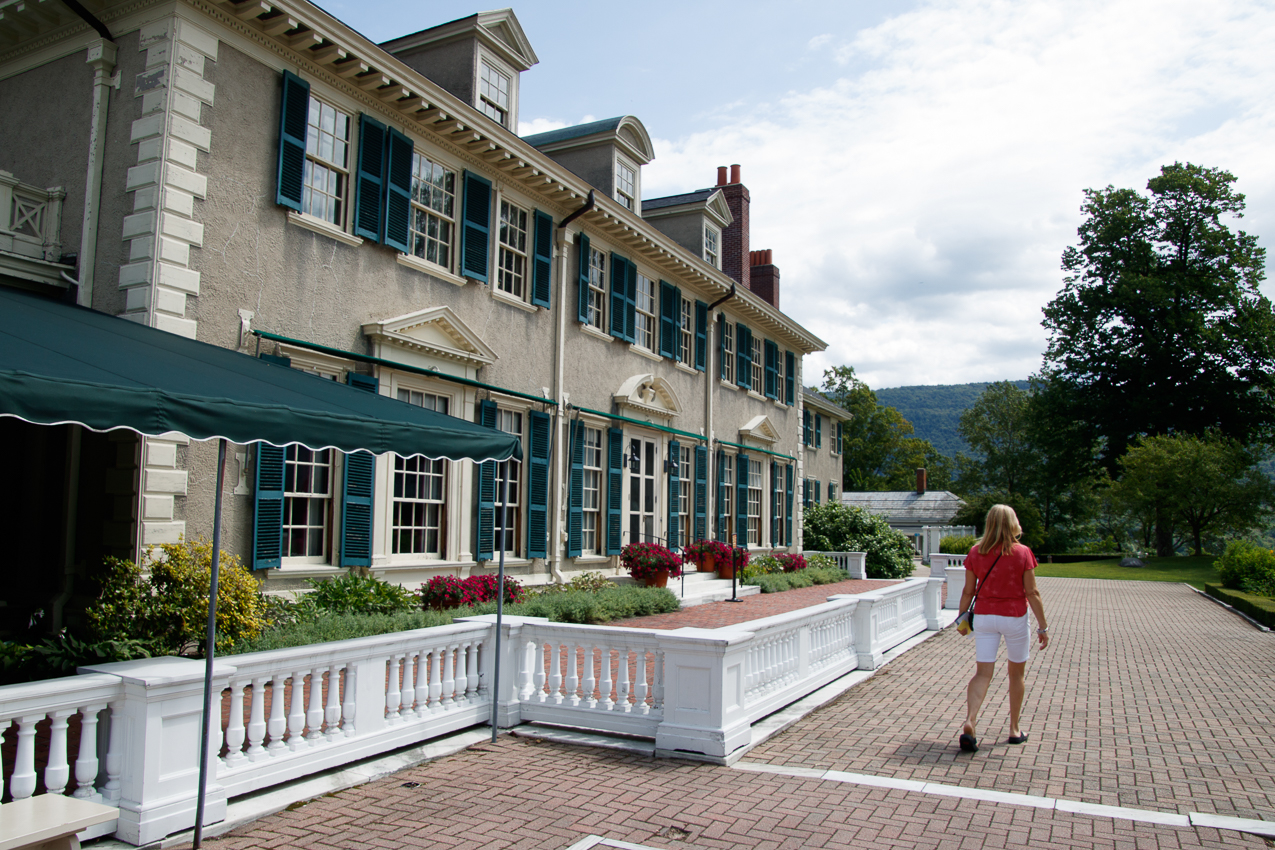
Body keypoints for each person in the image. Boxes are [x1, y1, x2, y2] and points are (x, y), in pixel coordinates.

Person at [956, 504, 1049, 753]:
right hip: (1014, 618)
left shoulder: (976, 552)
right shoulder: (1023, 553)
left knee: (983, 673)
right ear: (1013, 523)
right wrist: (1042, 626)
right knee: (1016, 674)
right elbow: (1032, 592)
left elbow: (968, 591)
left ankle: (970, 720)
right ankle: (1014, 729)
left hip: (985, 617)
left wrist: (961, 619)